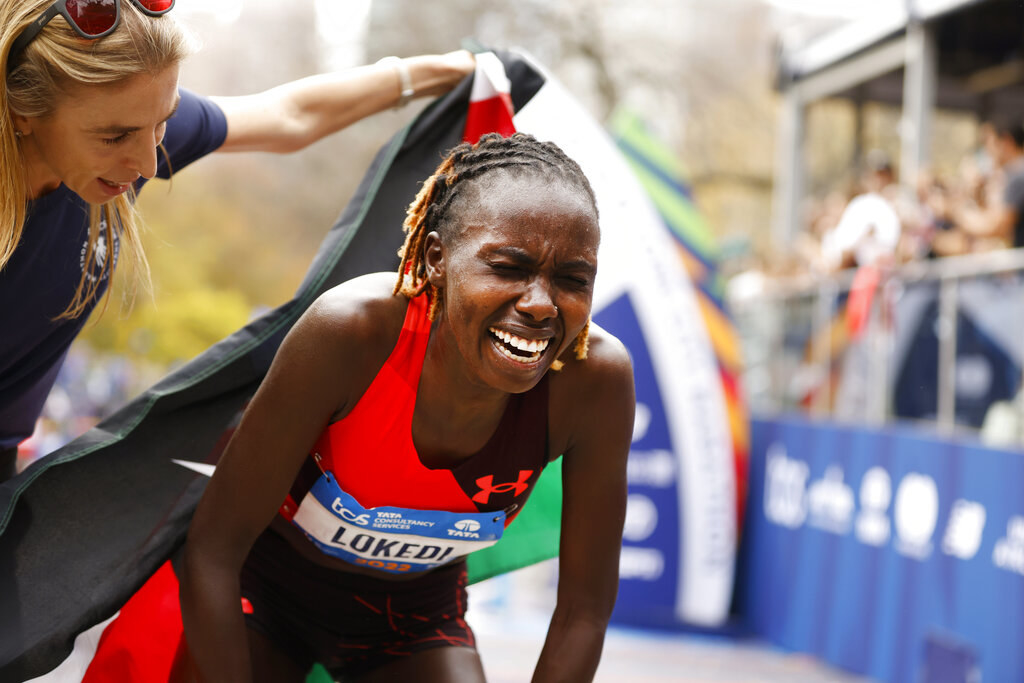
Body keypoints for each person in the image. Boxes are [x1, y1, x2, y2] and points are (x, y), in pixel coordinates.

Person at [180, 132, 636, 683]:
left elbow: (584, 612)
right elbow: (213, 550)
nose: (540, 304)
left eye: (571, 280)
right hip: (263, 590)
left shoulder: (595, 382)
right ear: (436, 258)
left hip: (413, 618)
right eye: (508, 268)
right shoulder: (352, 332)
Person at [0, 0, 476, 482]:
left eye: (164, 120)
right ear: (22, 110)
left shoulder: (122, 139)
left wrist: (449, 72)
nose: (148, 161)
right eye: (115, 136)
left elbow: (291, 114)